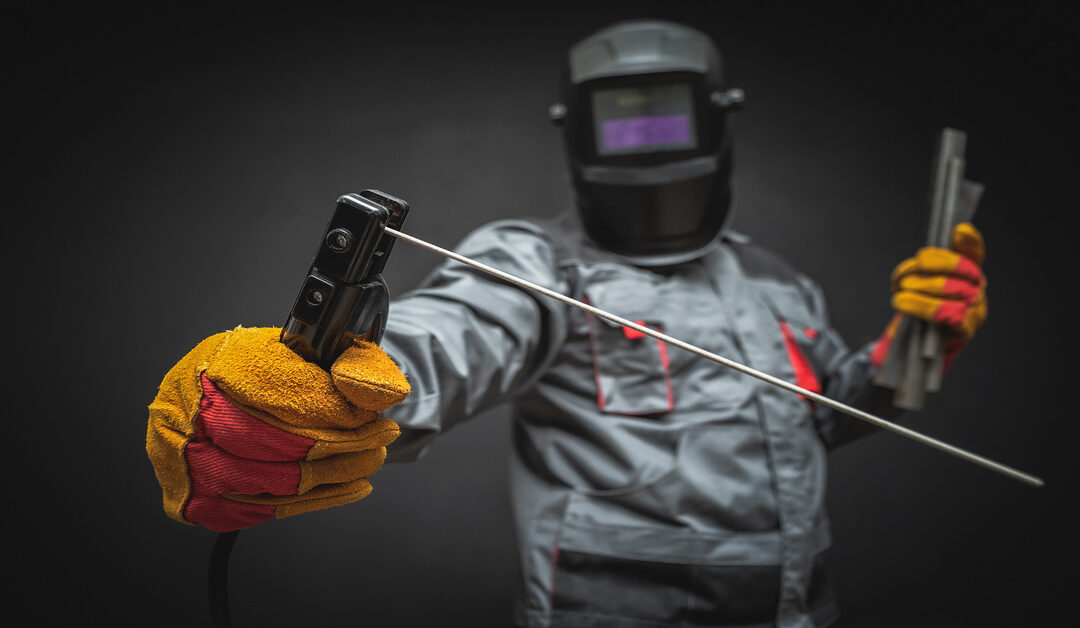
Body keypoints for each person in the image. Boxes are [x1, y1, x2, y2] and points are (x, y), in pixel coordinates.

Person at [146, 20, 988, 628]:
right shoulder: (539, 265)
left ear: (719, 117)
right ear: (577, 134)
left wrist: (906, 355)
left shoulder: (776, 281)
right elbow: (444, 339)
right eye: (623, 122)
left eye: (668, 118)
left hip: (803, 611)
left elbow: (816, 419)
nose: (650, 150)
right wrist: (301, 388)